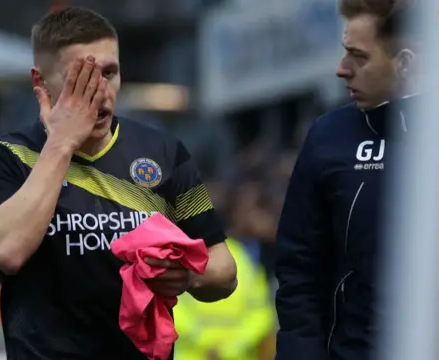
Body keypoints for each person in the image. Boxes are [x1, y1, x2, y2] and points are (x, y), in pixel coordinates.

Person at [0, 7, 237, 360]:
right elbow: (6, 251)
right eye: (79, 79)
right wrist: (62, 143)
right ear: (40, 82)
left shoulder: (162, 151)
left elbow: (224, 269)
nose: (99, 94)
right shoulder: (7, 156)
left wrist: (186, 278)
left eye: (109, 73)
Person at [274, 0, 417, 359]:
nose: (341, 69)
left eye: (359, 56)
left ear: (405, 64)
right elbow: (299, 272)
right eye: (344, 53)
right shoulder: (328, 136)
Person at [174, 238, 276, 360]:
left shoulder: (184, 255)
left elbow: (262, 313)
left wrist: (206, 342)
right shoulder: (241, 257)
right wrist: (232, 346)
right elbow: (261, 313)